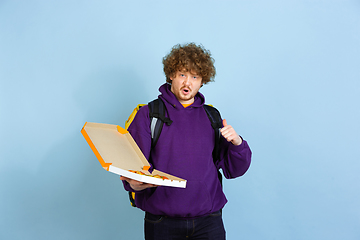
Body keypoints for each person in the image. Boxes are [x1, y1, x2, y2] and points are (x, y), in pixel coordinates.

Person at [120, 43, 252, 240]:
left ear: (202, 81)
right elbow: (130, 170)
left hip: (209, 221)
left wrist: (237, 143)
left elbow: (235, 169)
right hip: (162, 222)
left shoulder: (212, 116)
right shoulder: (149, 114)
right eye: (182, 74)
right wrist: (134, 184)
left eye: (195, 77)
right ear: (171, 74)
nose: (187, 83)